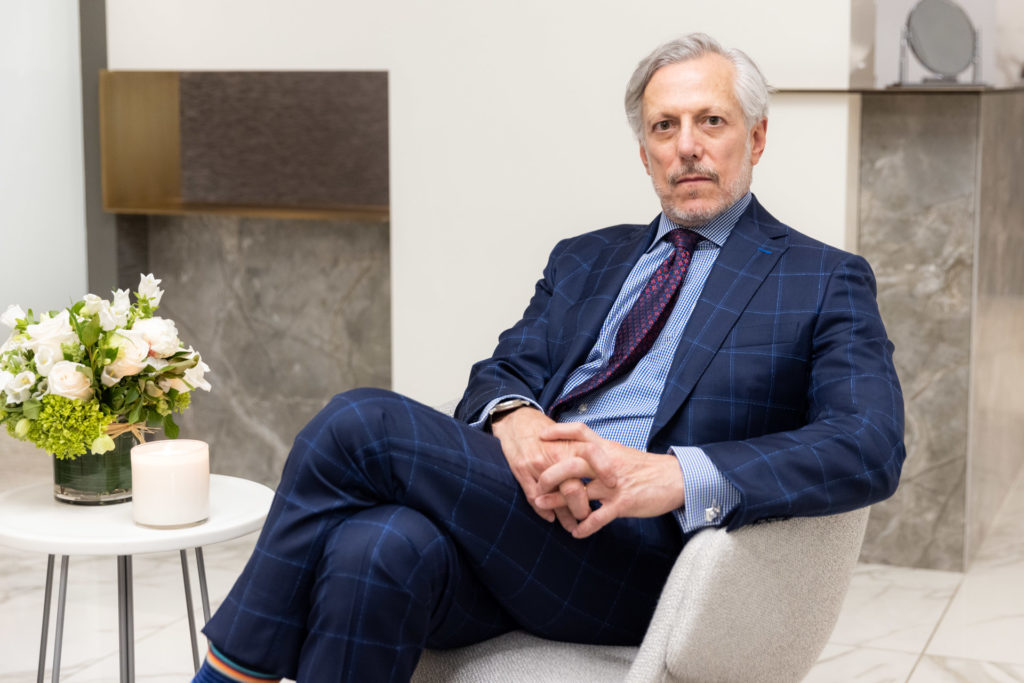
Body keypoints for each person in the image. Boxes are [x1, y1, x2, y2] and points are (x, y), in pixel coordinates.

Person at [193, 33, 905, 683]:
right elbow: (500, 374)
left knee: (360, 422)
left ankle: (226, 674)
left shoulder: (821, 278)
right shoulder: (587, 256)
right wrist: (517, 417)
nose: (687, 146)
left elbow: (868, 443)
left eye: (710, 121)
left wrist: (667, 476)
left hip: (637, 553)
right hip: (521, 518)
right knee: (377, 547)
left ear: (756, 136)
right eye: (665, 126)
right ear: (644, 151)